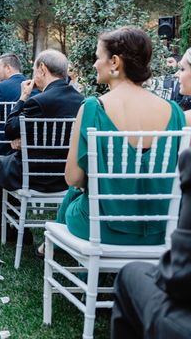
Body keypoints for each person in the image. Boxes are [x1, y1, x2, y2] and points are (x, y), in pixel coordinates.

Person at [57, 27, 187, 249]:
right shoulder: (174, 111)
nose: (95, 64)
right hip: (161, 231)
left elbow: (73, 178)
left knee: (72, 199)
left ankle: (86, 275)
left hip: (103, 228)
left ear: (115, 62)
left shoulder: (93, 108)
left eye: (98, 58)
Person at [0, 49, 83, 243]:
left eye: (34, 69)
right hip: (65, 177)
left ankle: (5, 224)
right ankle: (13, 222)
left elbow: (9, 130)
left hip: (33, 175)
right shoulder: (81, 101)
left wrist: (22, 98)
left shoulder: (38, 101)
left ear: (42, 69)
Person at [111, 147, 191, 338]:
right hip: (159, 226)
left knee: (129, 275)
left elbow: (181, 275)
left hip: (107, 224)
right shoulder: (177, 118)